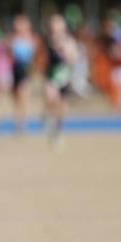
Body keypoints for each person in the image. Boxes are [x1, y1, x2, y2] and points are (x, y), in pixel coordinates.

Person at [42, 13, 78, 145]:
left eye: (58, 24)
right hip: (51, 76)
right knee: (51, 97)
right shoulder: (49, 40)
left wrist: (67, 53)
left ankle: (58, 132)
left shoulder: (69, 41)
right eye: (54, 24)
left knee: (62, 107)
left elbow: (74, 58)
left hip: (65, 77)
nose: (56, 26)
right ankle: (47, 117)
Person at [7, 14, 38, 132]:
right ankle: (18, 121)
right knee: (16, 98)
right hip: (15, 70)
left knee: (23, 95)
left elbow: (35, 57)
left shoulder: (32, 39)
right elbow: (9, 56)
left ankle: (23, 122)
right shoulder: (13, 39)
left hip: (26, 70)